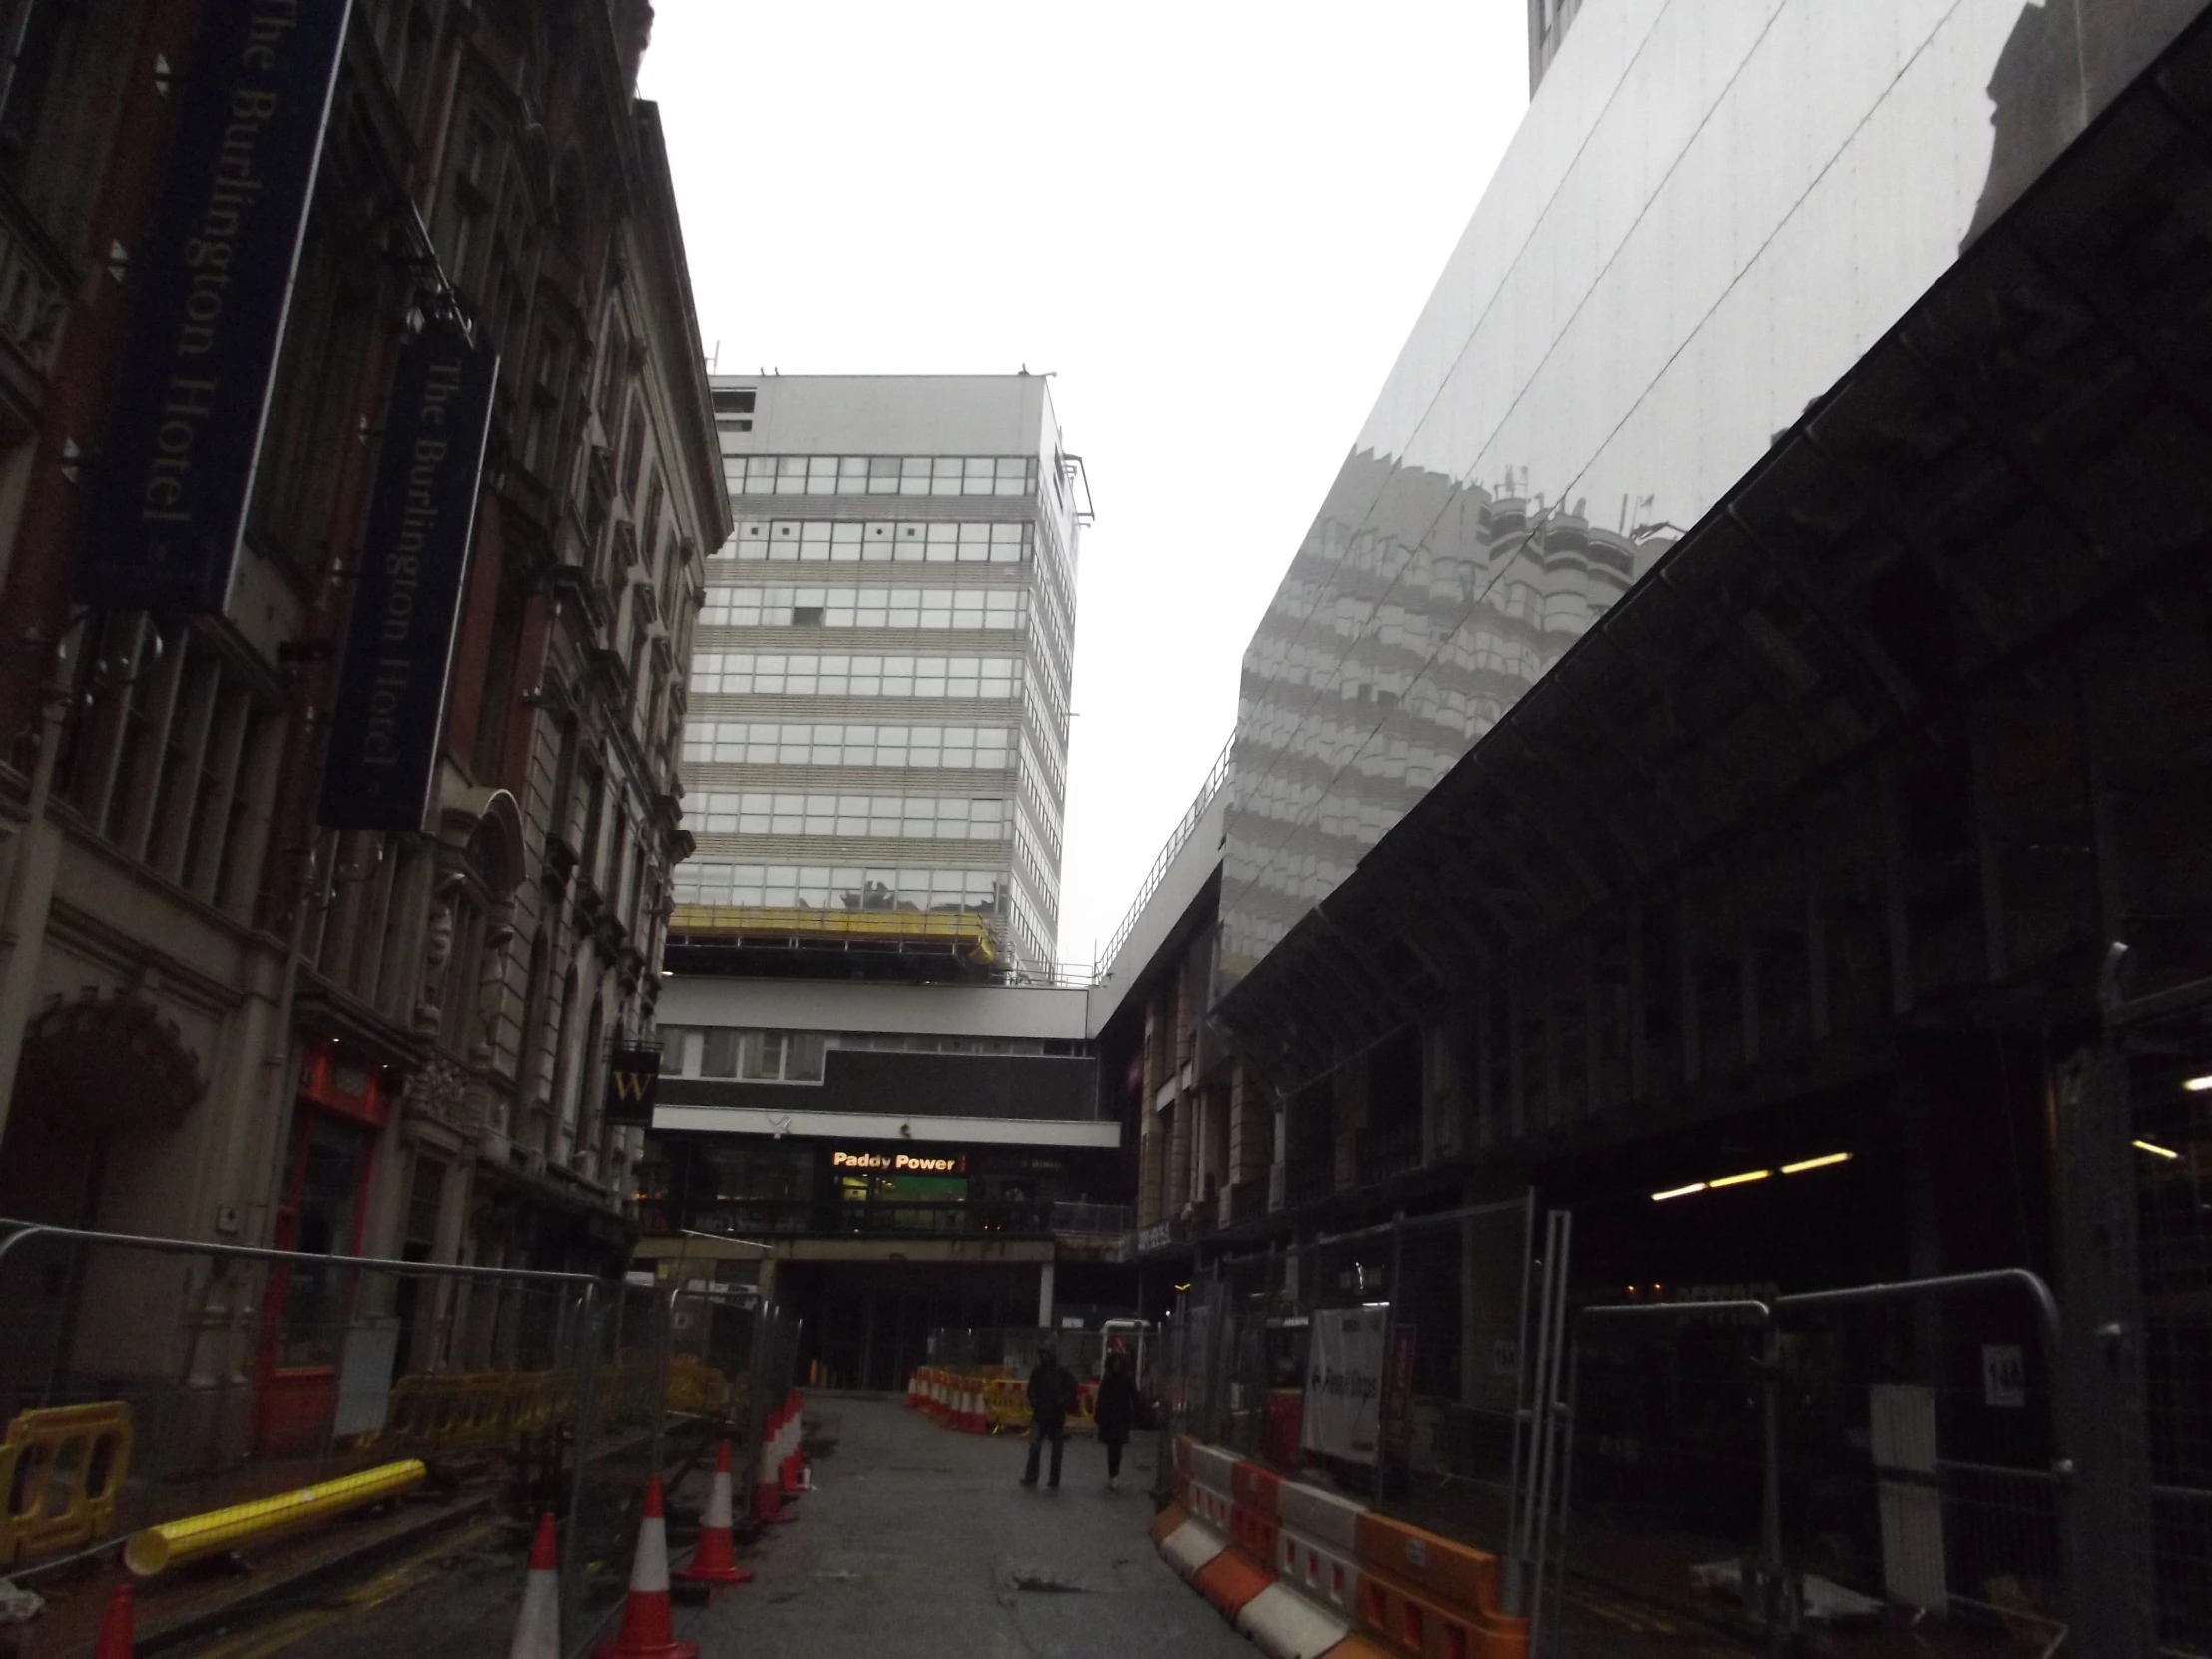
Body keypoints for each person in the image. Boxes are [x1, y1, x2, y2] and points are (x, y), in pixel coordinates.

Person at [1021, 1343, 1075, 1488]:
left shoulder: (1061, 1372)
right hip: (1042, 1414)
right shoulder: (1039, 1371)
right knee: (1036, 1447)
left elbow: (1071, 1389)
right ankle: (1033, 1477)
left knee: (1054, 1450)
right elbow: (1031, 1389)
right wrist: (1036, 1403)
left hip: (1055, 1415)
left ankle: (1051, 1479)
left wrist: (1061, 1402)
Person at [1095, 1347, 1138, 1491]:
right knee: (1114, 1448)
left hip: (1116, 1417)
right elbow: (1134, 1396)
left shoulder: (1111, 1377)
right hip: (1116, 1417)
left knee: (1114, 1448)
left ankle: (1113, 1476)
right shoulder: (1124, 1377)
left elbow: (1102, 1397)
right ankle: (1113, 1476)